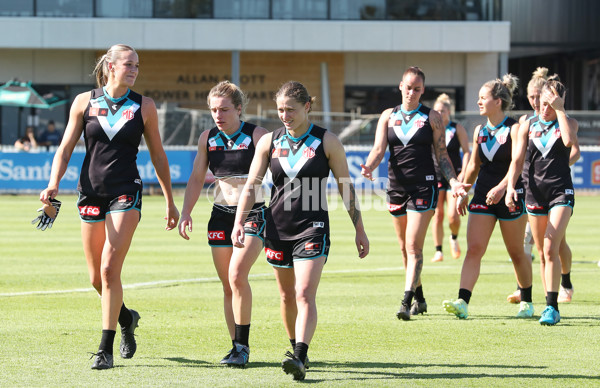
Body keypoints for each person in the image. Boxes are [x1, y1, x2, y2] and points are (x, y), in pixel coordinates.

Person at [38, 44, 180, 369]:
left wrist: (171, 200)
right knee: (95, 278)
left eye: (137, 66)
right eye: (128, 64)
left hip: (126, 192)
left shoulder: (145, 106)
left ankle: (105, 349)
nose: (134, 70)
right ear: (111, 66)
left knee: (109, 269)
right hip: (89, 191)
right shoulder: (84, 102)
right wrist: (52, 183)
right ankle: (127, 318)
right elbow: (64, 149)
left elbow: (158, 155)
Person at [232, 81, 369, 381]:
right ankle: (295, 348)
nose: (285, 115)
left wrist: (359, 229)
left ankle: (300, 356)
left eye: (291, 109)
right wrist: (239, 222)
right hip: (278, 228)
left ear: (307, 106)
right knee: (286, 296)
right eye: (280, 109)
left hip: (313, 228)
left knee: (304, 293)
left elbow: (347, 190)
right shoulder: (269, 142)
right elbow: (252, 184)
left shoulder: (327, 142)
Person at [360, 67, 470, 320]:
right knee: (403, 247)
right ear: (400, 86)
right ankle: (420, 299)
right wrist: (369, 166)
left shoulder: (432, 117)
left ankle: (405, 300)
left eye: (417, 88)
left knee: (413, 246)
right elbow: (378, 148)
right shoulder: (388, 115)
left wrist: (453, 181)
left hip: (424, 186)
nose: (411, 92)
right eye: (408, 87)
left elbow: (442, 155)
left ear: (423, 90)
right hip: (397, 187)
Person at [178, 81, 268, 367]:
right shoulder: (207, 138)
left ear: (239, 109)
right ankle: (235, 347)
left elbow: (281, 174)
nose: (218, 115)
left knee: (237, 274)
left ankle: (243, 347)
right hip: (220, 214)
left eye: (225, 109)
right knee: (228, 285)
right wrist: (185, 212)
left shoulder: (258, 135)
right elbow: (195, 178)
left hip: (254, 214)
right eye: (214, 110)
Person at [442, 74, 534, 319]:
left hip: (510, 196)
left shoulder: (514, 129)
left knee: (516, 252)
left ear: (498, 101)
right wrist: (464, 190)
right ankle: (462, 301)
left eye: (483, 98)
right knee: (474, 249)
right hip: (483, 195)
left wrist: (503, 188)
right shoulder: (479, 130)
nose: (479, 101)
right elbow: (473, 165)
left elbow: (517, 163)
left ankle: (527, 300)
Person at [505, 76, 578, 325]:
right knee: (541, 250)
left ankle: (552, 306)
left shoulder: (568, 122)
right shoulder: (528, 125)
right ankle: (549, 301)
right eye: (543, 102)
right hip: (535, 193)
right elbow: (516, 161)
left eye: (551, 102)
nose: (544, 107)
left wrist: (560, 110)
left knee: (551, 247)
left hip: (561, 192)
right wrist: (509, 188)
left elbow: (569, 142)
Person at [429, 93, 471, 262]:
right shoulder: (431, 128)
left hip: (453, 176)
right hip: (436, 175)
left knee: (453, 215)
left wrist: (463, 172)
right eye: (437, 111)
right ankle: (438, 250)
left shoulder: (456, 128)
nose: (440, 113)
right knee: (437, 214)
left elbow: (467, 151)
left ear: (449, 112)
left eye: (443, 111)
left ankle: (453, 237)